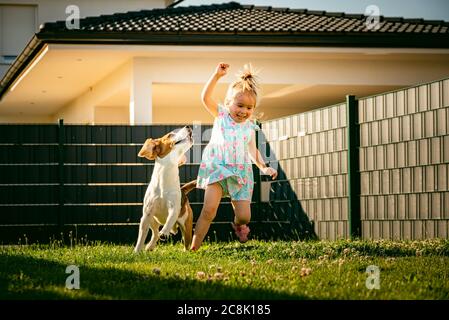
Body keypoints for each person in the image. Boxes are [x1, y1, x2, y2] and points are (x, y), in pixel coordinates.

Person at [191, 62, 278, 251]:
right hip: (218, 168)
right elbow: (205, 98)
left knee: (245, 216)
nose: (243, 111)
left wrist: (264, 167)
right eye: (240, 105)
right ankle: (193, 247)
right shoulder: (221, 115)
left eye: (249, 108)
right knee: (208, 210)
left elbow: (253, 151)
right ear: (228, 102)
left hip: (241, 172)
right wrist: (216, 76)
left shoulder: (249, 127)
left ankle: (239, 225)